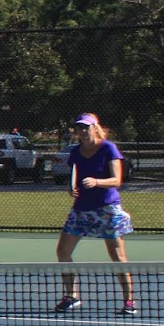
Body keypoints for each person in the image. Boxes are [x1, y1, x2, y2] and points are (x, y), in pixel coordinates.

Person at [54, 113, 136, 315]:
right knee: (62, 251)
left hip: (107, 209)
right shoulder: (75, 152)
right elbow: (74, 178)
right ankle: (72, 296)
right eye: (79, 127)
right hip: (81, 209)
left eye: (86, 127)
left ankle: (129, 302)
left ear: (94, 128)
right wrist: (70, 188)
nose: (83, 131)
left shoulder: (108, 148)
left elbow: (117, 180)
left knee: (117, 255)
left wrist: (97, 181)